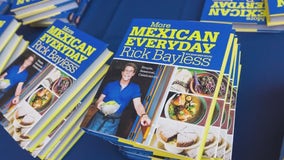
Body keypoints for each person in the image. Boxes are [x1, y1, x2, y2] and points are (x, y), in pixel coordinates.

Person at [88, 62, 151, 135]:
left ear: (133, 74)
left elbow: (138, 105)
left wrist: (144, 115)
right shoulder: (110, 85)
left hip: (113, 122)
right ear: (122, 72)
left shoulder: (135, 88)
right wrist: (99, 104)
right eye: (126, 70)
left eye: (130, 71)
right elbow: (99, 100)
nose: (127, 73)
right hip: (99, 117)